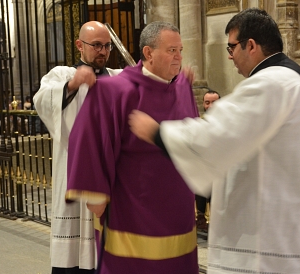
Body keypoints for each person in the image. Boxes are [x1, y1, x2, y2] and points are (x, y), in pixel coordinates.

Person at [128, 8, 300, 274]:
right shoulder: (295, 80)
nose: (229, 55)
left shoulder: (270, 84)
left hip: (261, 242)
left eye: (231, 47)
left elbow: (216, 136)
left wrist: (157, 133)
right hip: (287, 226)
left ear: (251, 45)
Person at [66, 21, 200, 274]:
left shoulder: (183, 88)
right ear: (149, 53)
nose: (179, 57)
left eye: (180, 50)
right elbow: (88, 138)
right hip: (133, 206)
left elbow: (194, 137)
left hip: (178, 206)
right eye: (172, 50)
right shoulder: (115, 90)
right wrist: (95, 196)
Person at [33, 21, 122, 274]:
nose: (103, 51)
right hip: (73, 171)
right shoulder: (62, 74)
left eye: (107, 46)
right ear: (79, 45)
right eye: (96, 45)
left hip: (108, 175)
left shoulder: (116, 77)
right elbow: (41, 100)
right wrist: (73, 84)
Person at [196, 89, 221, 234]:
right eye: (207, 102)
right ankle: (200, 220)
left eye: (214, 102)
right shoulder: (199, 122)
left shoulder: (230, 121)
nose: (210, 106)